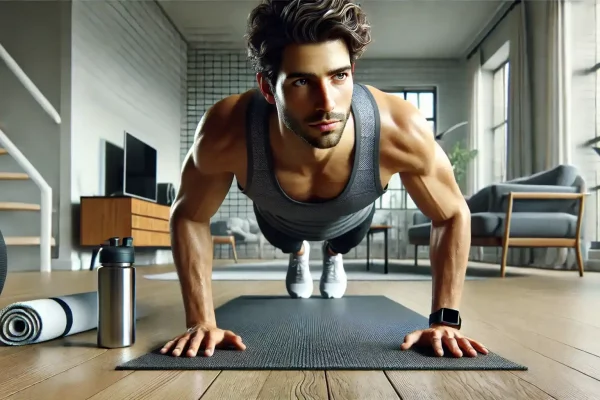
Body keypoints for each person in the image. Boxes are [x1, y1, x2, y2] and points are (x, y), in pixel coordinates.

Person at [161, 0, 489, 360]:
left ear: (352, 70)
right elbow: (190, 215)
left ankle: (332, 254)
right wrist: (200, 321)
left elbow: (452, 213)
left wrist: (445, 320)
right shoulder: (227, 131)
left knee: (343, 239)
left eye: (338, 76)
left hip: (351, 219)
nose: (326, 102)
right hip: (276, 220)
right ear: (268, 89)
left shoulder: (400, 128)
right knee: (287, 239)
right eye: (302, 81)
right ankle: (298, 252)